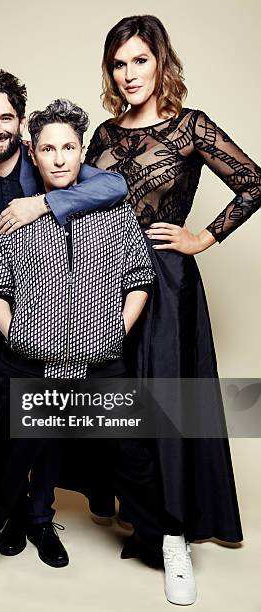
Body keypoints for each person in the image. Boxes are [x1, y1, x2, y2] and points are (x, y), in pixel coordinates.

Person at [0, 98, 175, 606]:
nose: (59, 158)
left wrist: (115, 332)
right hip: (30, 361)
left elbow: (140, 279)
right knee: (7, 453)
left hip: (101, 358)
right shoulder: (14, 216)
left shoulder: (112, 209)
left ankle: (167, 541)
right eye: (49, 148)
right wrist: (18, 337)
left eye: (69, 147)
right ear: (34, 153)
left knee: (132, 451)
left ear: (83, 152)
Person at [75, 14, 259, 605]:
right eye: (119, 63)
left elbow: (254, 181)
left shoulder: (190, 128)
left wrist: (201, 236)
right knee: (115, 401)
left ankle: (174, 534)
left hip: (164, 281)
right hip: (100, 284)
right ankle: (133, 508)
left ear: (161, 63)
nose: (129, 74)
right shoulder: (101, 135)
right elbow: (73, 205)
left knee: (165, 404)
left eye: (140, 60)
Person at [0, 70, 132, 566]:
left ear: (23, 124)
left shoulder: (47, 164)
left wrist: (45, 201)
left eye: (6, 116)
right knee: (8, 429)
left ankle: (39, 518)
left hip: (60, 324)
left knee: (46, 424)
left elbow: (113, 185)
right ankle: (6, 514)